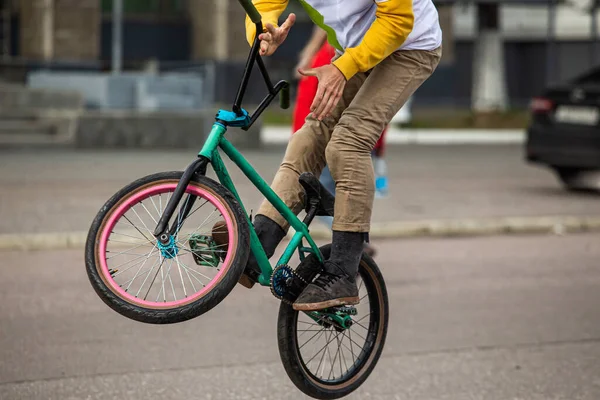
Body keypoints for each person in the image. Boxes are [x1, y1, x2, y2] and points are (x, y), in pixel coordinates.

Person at [218, 0, 442, 311]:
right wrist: (262, 28)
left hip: (409, 46)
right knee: (309, 138)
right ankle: (262, 239)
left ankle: (343, 272)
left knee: (348, 142)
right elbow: (265, 2)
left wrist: (342, 68)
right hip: (356, 48)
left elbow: (396, 20)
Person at [292, 26, 388, 256]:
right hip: (357, 137)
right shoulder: (356, 54)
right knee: (349, 191)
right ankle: (354, 243)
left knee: (320, 193)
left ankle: (353, 243)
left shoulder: (325, 58)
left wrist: (300, 138)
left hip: (328, 139)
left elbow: (307, 105)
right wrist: (379, 145)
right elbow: (375, 106)